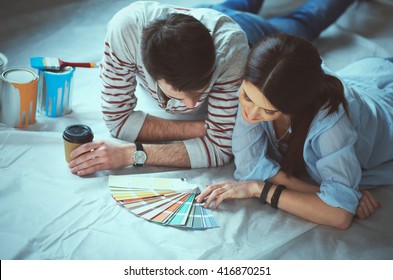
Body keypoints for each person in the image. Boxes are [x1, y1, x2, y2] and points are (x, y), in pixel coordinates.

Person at [68, 0, 354, 176]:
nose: (191, 107)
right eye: (179, 95)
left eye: (200, 91)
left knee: (302, 22)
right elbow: (118, 122)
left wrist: (131, 154)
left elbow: (222, 150)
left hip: (243, 32)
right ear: (149, 70)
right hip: (186, 25)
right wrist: (201, 128)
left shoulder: (232, 52)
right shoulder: (123, 33)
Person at [196, 33, 393, 230]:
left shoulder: (331, 123)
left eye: (268, 110)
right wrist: (335, 195)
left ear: (294, 107)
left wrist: (260, 189)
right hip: (367, 76)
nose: (251, 114)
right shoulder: (260, 86)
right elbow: (249, 166)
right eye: (247, 97)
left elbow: (339, 215)